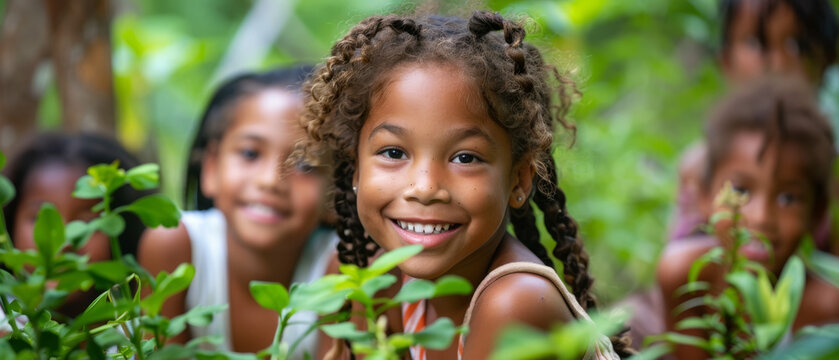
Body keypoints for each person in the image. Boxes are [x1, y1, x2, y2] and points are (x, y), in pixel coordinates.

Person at [299, 11, 628, 360]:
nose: (425, 188)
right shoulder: (367, 276)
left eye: (465, 158)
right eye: (394, 152)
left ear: (519, 179)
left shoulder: (515, 303)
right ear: (356, 169)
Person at [138, 65, 337, 356]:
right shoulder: (174, 246)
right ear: (210, 168)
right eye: (249, 153)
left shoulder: (342, 267)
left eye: (305, 165)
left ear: (336, 192)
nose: (270, 181)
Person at [657, 76, 839, 359]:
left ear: (816, 214)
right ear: (705, 196)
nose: (761, 218)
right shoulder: (684, 277)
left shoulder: (827, 306)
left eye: (788, 198)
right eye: (740, 190)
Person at [2, 132, 149, 319]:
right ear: (8, 223)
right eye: (42, 219)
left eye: (86, 222)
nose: (64, 241)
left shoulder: (139, 333)